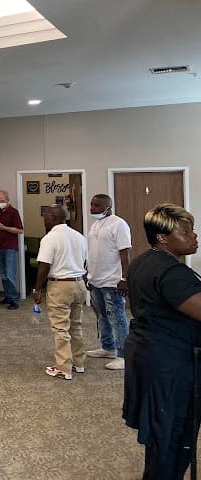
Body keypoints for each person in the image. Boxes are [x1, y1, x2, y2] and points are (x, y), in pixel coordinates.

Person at [123, 203, 201, 479]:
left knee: (162, 438)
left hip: (149, 355)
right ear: (162, 238)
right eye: (185, 232)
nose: (194, 236)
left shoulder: (143, 262)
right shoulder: (172, 273)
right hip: (169, 366)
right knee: (173, 439)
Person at [33, 204, 88, 380]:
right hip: (79, 283)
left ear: (53, 218)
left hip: (60, 286)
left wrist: (37, 289)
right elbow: (85, 262)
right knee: (76, 324)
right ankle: (78, 363)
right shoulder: (79, 236)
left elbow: (44, 266)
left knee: (60, 327)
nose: (44, 218)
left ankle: (63, 367)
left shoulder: (50, 238)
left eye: (46, 215)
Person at [86, 193, 131, 370]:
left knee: (117, 318)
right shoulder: (95, 225)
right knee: (102, 316)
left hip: (112, 281)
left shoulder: (118, 224)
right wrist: (87, 272)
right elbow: (92, 251)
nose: (92, 208)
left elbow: (124, 252)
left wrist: (125, 278)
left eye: (97, 205)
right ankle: (108, 347)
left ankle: (123, 355)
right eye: (92, 204)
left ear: (108, 207)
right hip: (95, 279)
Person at [0, 190, 24, 309]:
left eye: (2, 201)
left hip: (10, 247)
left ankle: (14, 300)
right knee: (3, 274)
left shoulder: (14, 212)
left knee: (10, 274)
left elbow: (20, 230)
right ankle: (8, 296)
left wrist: (4, 228)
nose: (1, 203)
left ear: (7, 200)